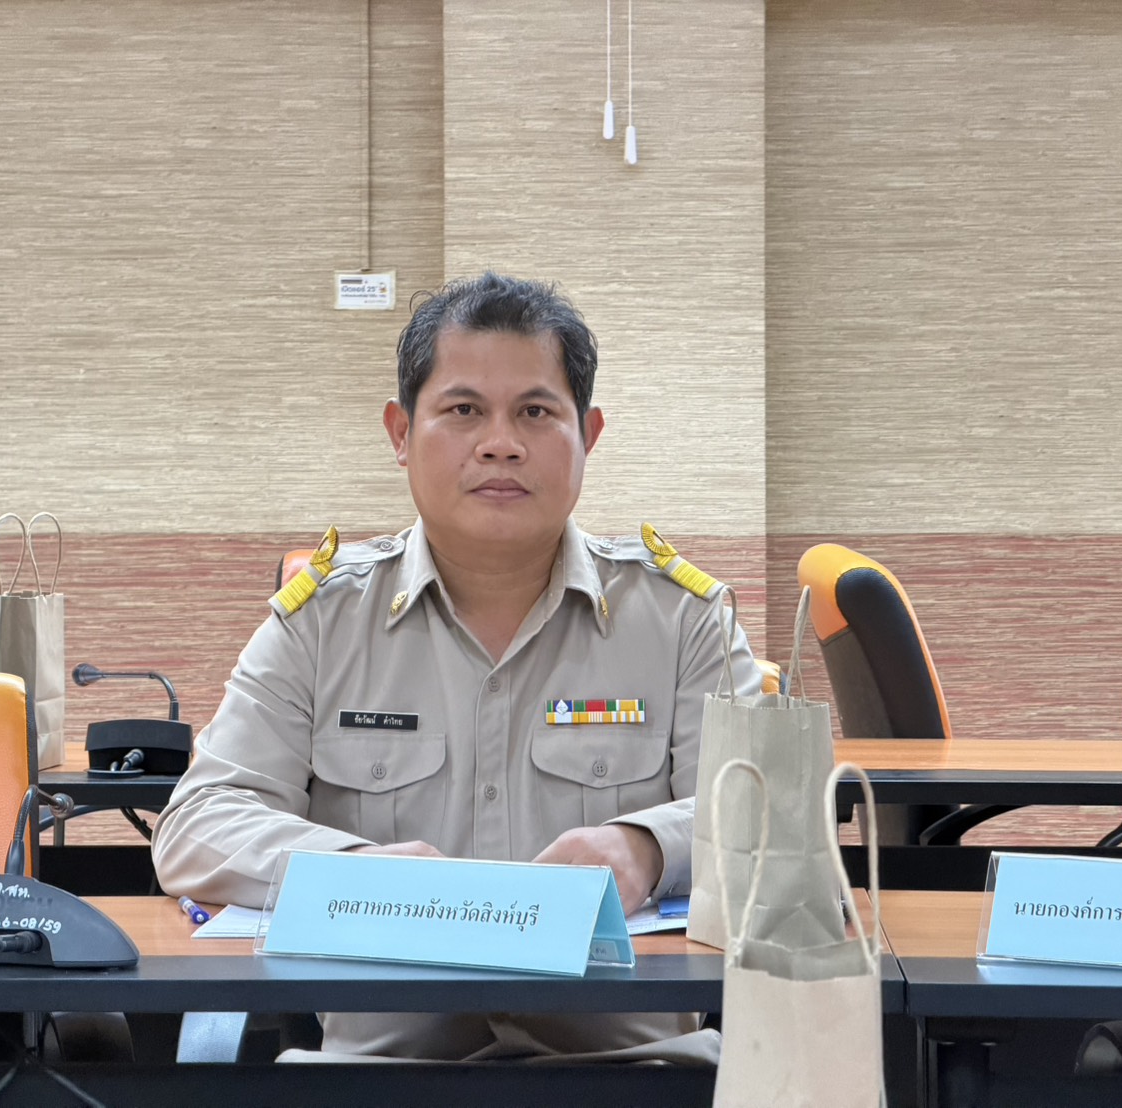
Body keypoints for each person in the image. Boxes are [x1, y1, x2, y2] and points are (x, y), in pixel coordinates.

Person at [151, 271, 760, 1061]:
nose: (499, 442)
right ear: (401, 432)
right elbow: (197, 825)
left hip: (629, 1075)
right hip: (383, 1077)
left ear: (588, 434)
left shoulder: (681, 619)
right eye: (463, 410)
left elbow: (771, 819)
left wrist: (646, 847)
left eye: (535, 412)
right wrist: (360, 873)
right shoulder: (323, 622)